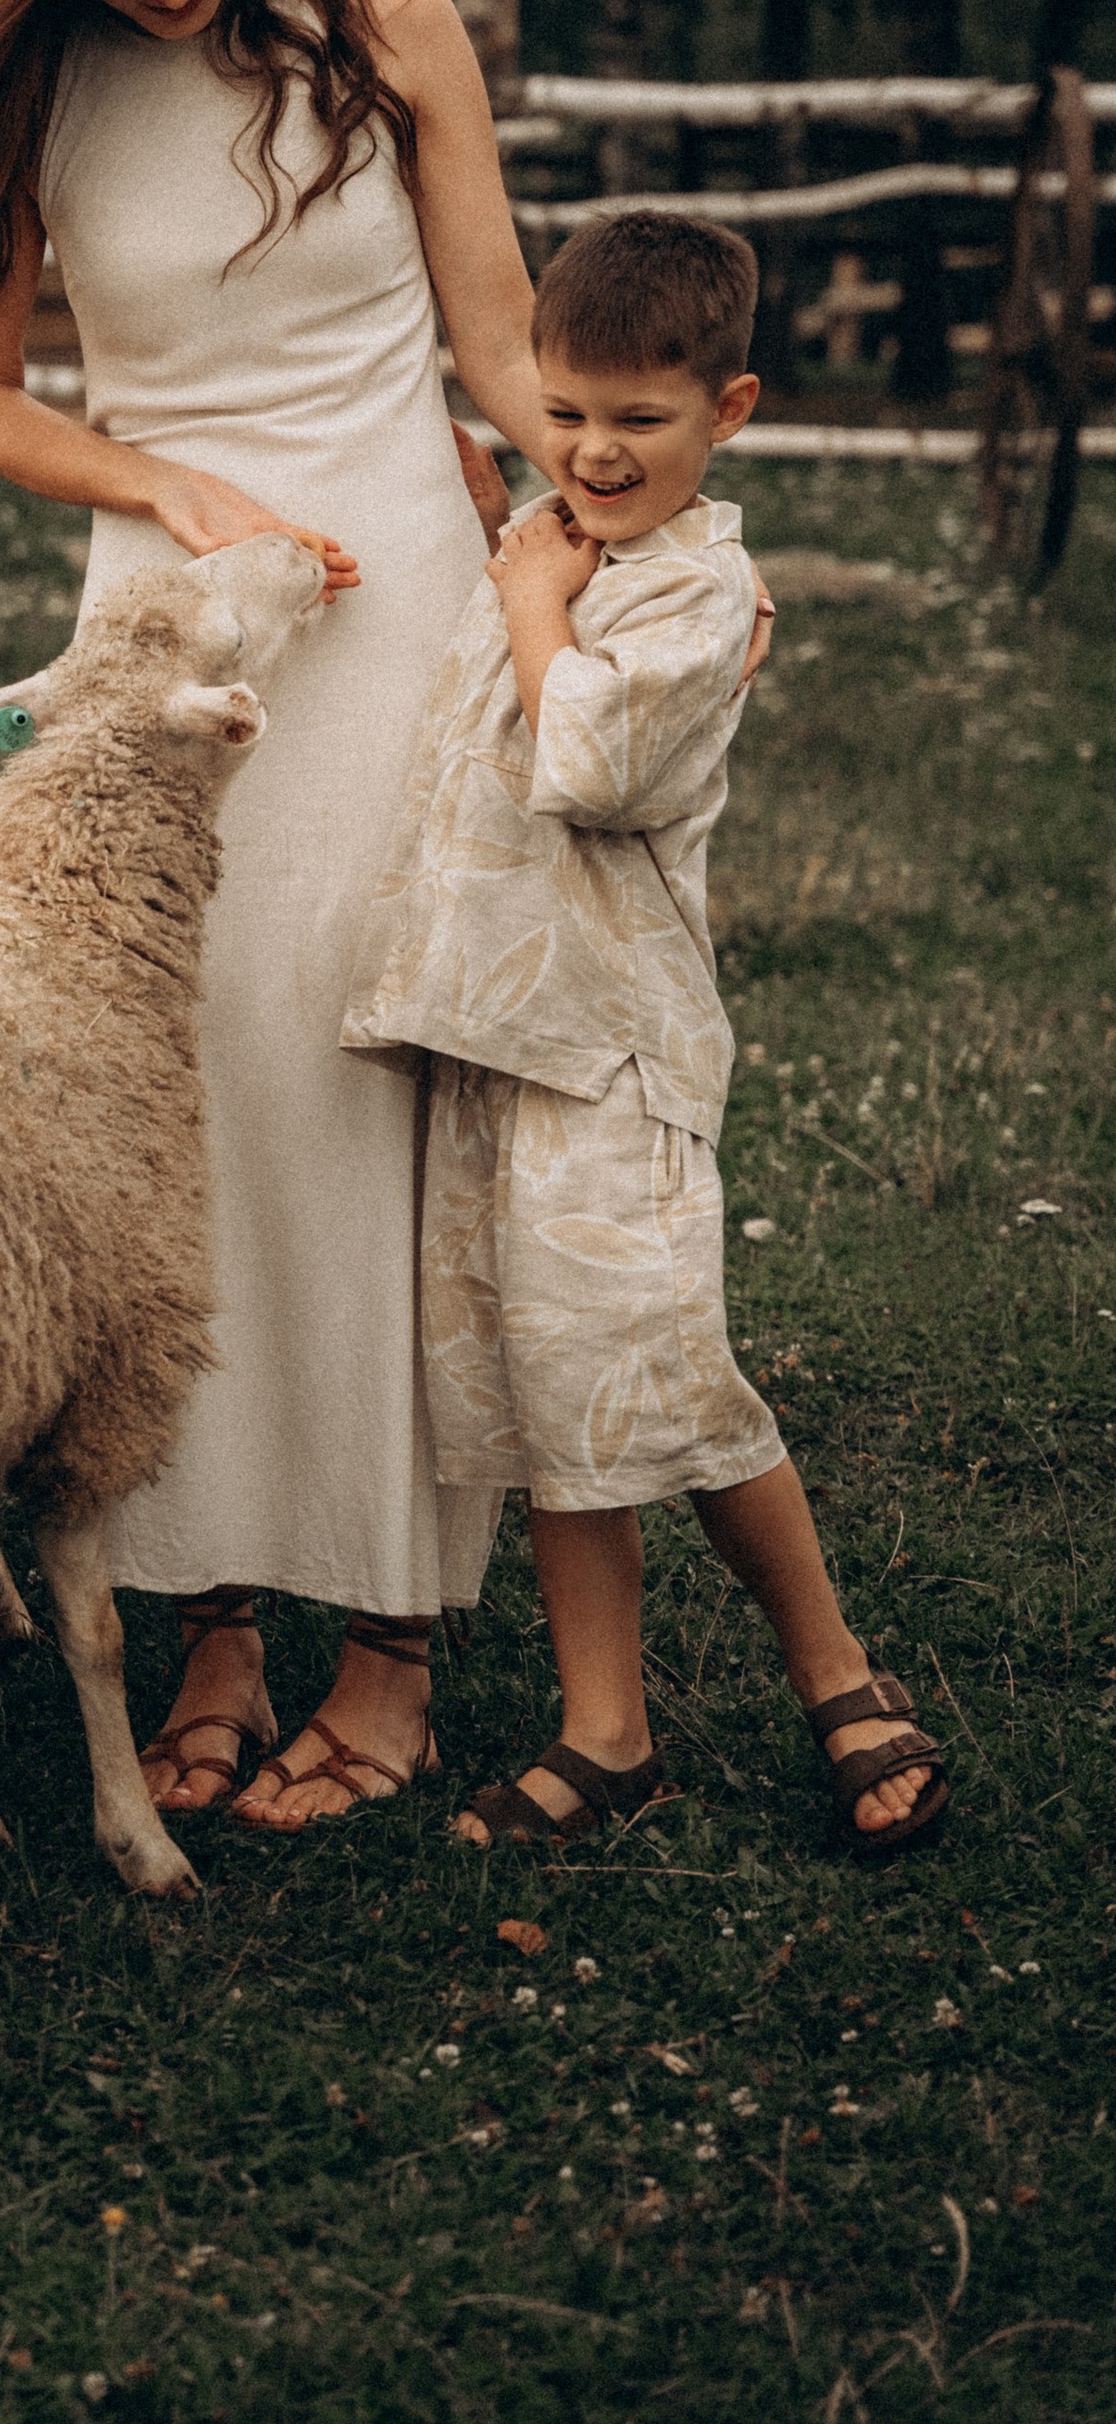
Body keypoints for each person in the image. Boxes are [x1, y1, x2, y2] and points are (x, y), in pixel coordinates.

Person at [0, 0, 553, 1829]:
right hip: (172, 615)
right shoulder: (26, 86)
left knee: (364, 1073)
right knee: (186, 1087)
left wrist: (641, 524)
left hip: (398, 593)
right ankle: (210, 1611)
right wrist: (164, 485)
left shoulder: (389, 30)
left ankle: (393, 1630)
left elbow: (498, 338)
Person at [343, 211, 947, 1854]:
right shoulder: (556, 541)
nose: (595, 450)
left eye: (639, 418)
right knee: (557, 1402)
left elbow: (597, 763)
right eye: (567, 412)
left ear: (728, 409)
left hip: (610, 1057)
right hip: (498, 1041)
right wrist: (505, 536)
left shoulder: (696, 591)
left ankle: (835, 1667)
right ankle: (607, 1730)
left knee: (668, 1376)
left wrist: (538, 595)